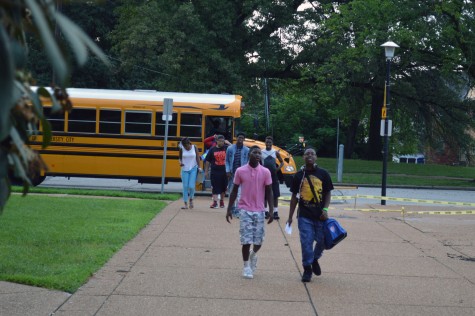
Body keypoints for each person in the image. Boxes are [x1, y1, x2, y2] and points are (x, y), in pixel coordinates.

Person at [286, 147, 334, 282]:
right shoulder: (298, 175)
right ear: (303, 157)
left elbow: (328, 193)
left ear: (316, 157)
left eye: (312, 154)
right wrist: (290, 216)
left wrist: (325, 210)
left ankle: (315, 259)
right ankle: (307, 268)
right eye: (307, 154)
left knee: (322, 241)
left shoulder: (323, 174)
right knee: (306, 243)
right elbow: (294, 197)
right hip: (304, 216)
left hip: (320, 216)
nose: (310, 156)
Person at [226, 145, 274, 279]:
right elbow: (234, 190)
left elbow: (269, 191)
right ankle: (246, 266)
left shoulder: (265, 172)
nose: (257, 154)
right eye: (255, 152)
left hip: (259, 210)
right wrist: (229, 208)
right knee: (246, 240)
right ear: (249, 155)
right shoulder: (240, 171)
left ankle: (253, 255)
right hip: (245, 210)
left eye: (259, 153)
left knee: (258, 241)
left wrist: (271, 210)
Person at [225, 132, 249, 217]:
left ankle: (239, 209)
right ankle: (232, 208)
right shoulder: (230, 148)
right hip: (232, 173)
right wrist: (227, 170)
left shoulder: (247, 150)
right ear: (237, 138)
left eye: (242, 138)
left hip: (242, 174)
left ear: (244, 139)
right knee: (232, 191)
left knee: (240, 193)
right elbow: (227, 160)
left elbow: (248, 162)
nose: (240, 139)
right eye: (239, 137)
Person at [261, 136, 284, 220]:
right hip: (264, 175)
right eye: (267, 142)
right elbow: (259, 163)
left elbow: (282, 162)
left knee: (275, 194)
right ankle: (265, 211)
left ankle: (275, 211)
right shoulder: (261, 152)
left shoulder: (275, 152)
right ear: (265, 143)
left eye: (270, 142)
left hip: (273, 175)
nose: (268, 144)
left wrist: (277, 169)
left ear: (272, 143)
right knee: (265, 194)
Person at [204, 135, 228, 208]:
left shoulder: (227, 148)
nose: (221, 142)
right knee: (214, 186)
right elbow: (208, 161)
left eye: (223, 141)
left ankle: (222, 201)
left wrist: (229, 143)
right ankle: (215, 202)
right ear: (216, 141)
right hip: (215, 171)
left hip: (224, 171)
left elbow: (234, 148)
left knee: (224, 187)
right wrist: (206, 171)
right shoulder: (212, 149)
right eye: (220, 141)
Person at [178, 137, 201, 209]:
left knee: (191, 186)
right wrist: (180, 163)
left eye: (186, 145)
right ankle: (185, 203)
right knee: (185, 187)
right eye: (184, 146)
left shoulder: (194, 147)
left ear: (189, 143)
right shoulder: (181, 149)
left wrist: (199, 167)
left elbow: (197, 157)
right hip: (184, 169)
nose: (185, 147)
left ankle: (191, 199)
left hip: (193, 168)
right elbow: (180, 158)